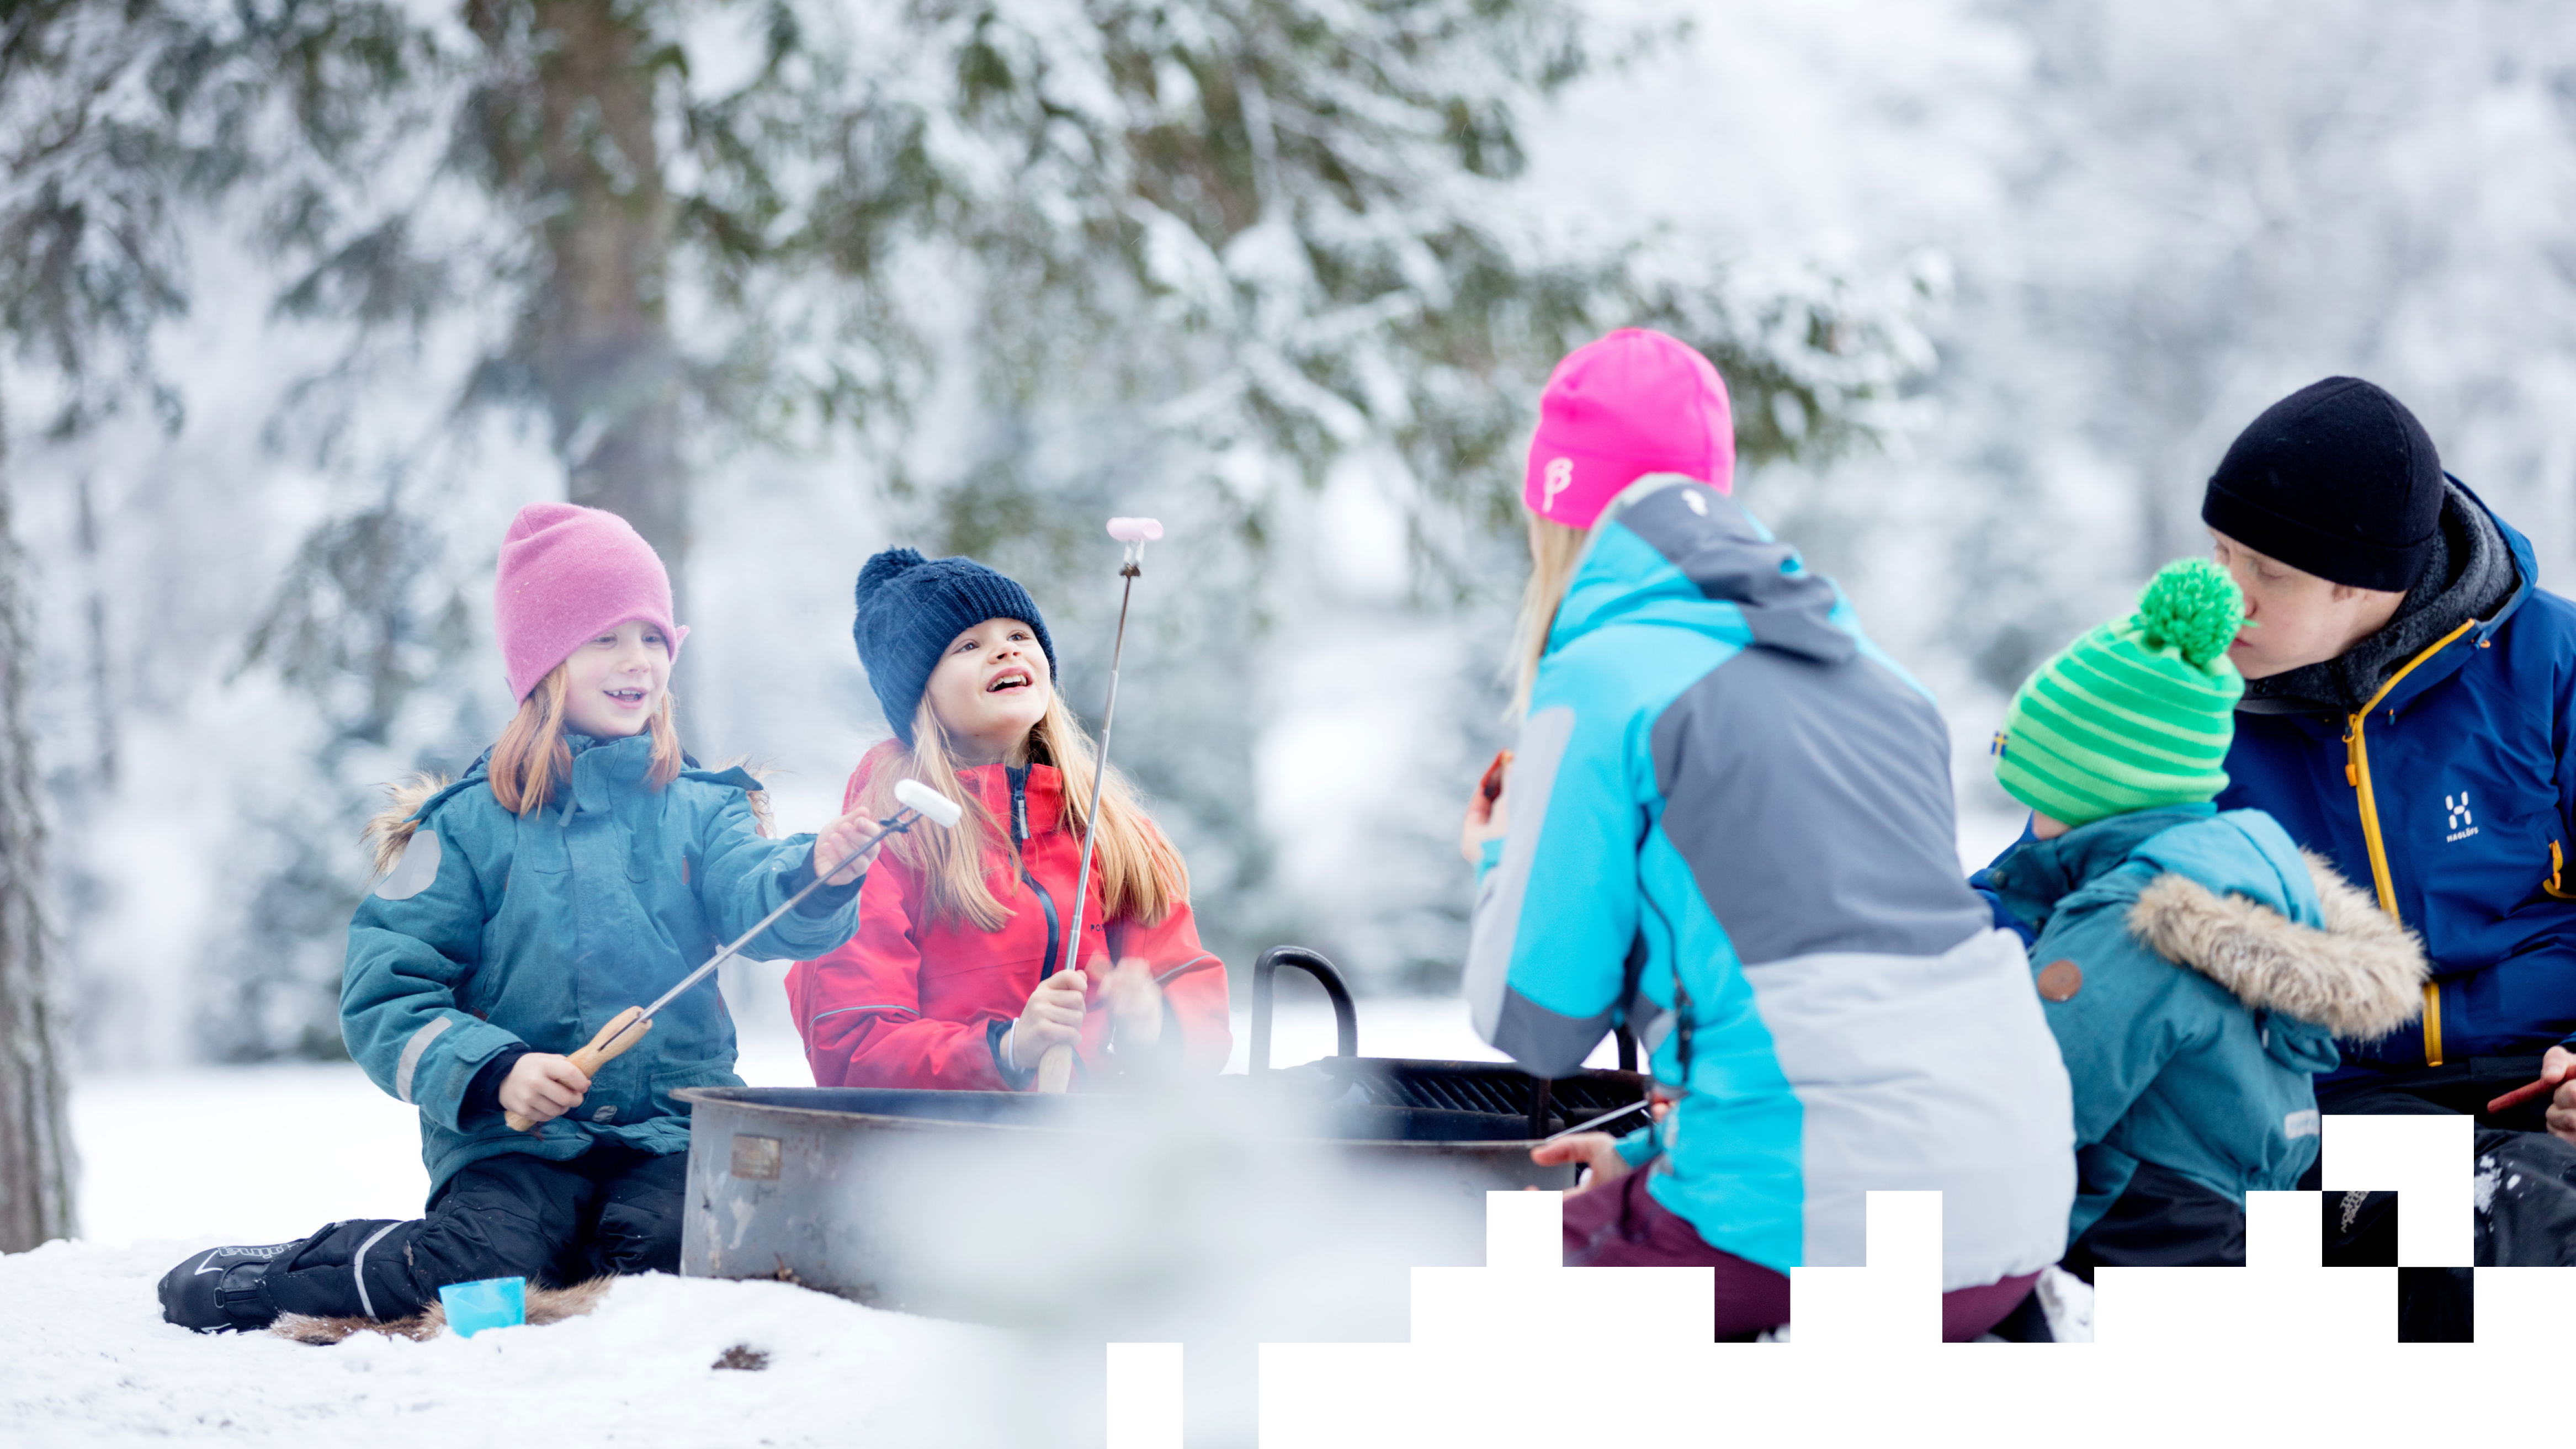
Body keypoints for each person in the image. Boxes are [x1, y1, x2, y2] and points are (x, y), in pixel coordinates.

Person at [1461, 327, 2075, 1342]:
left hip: (1813, 1232)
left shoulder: (1603, 682)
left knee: (1450, 1293)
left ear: (1558, 517)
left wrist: (1497, 852)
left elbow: (1532, 1022)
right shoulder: (1882, 679)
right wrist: (1658, 1170)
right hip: (2011, 1215)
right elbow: (1846, 1021)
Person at [160, 503, 885, 1333]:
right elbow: (383, 997)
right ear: (544, 662)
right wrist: (496, 1070)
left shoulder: (701, 808)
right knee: (476, 1280)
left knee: (674, 1257)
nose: (637, 660)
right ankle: (272, 1280)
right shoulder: (455, 829)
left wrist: (815, 873)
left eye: (652, 636)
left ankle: (585, 1257)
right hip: (514, 1148)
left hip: (673, 1132)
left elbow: (760, 895)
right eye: (605, 637)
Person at [1980, 558, 2426, 1276]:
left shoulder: (2130, 921)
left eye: (2037, 791)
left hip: (2129, 1230)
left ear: (2096, 788)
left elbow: (2030, 1106)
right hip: (2222, 1221)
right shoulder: (2232, 882)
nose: (2028, 820)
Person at [2194, 378, 2576, 1137]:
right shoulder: (2182, 706)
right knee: (2484, 1231)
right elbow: (2054, 892)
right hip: (2319, 1113)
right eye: (2220, 553)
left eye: (2267, 573)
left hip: (2539, 1082)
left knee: (2536, 1216)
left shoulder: (2548, 663)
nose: (2224, 595)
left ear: (2362, 583)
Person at [788, 548, 1229, 1090]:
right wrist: (1006, 1048)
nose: (1003, 650)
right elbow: (852, 1046)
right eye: (968, 646)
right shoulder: (882, 841)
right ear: (918, 695)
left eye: (1019, 637)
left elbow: (1191, 991)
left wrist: (1158, 1027)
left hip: (1084, 1146)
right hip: (933, 1153)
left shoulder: (1110, 830)